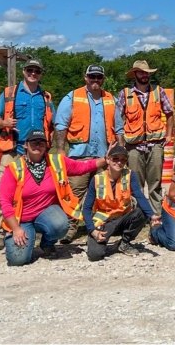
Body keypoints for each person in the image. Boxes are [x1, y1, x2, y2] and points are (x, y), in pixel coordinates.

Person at [0, 129, 105, 266]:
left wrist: (105, 160)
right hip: (21, 221)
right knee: (18, 260)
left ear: (46, 146)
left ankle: (47, 244)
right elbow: (4, 202)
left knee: (60, 224)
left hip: (46, 214)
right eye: (34, 143)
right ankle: (22, 240)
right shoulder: (13, 168)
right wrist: (16, 229)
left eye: (41, 143)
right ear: (25, 145)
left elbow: (81, 167)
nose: (38, 146)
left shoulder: (56, 162)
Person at [0, 59, 55, 251]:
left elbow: (53, 123)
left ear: (41, 74)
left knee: (39, 192)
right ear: (24, 71)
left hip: (38, 152)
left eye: (37, 71)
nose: (33, 73)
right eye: (29, 70)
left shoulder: (46, 97)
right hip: (14, 149)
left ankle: (36, 228)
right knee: (4, 190)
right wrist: (4, 123)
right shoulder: (10, 93)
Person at [55, 64, 123, 244]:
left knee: (102, 194)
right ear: (85, 78)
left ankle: (100, 226)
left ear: (103, 79)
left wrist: (121, 153)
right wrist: (61, 151)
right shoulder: (72, 97)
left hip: (103, 157)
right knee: (74, 193)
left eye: (98, 77)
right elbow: (61, 126)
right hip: (79, 157)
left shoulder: (111, 99)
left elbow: (119, 128)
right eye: (92, 77)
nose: (95, 80)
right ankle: (70, 228)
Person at [81, 145, 160, 261]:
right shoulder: (97, 179)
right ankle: (95, 239)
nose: (119, 162)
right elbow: (86, 209)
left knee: (141, 212)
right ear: (107, 160)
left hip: (122, 219)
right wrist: (92, 230)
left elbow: (139, 195)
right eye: (115, 158)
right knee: (95, 255)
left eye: (123, 160)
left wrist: (152, 216)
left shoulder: (130, 175)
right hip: (103, 222)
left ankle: (124, 243)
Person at [117, 60, 174, 215]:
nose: (145, 75)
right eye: (141, 72)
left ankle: (156, 216)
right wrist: (120, 142)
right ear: (135, 74)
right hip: (133, 146)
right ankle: (138, 216)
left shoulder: (158, 91)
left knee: (155, 183)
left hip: (155, 144)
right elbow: (117, 119)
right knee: (136, 184)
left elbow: (170, 113)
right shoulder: (125, 93)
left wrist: (169, 135)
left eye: (147, 72)